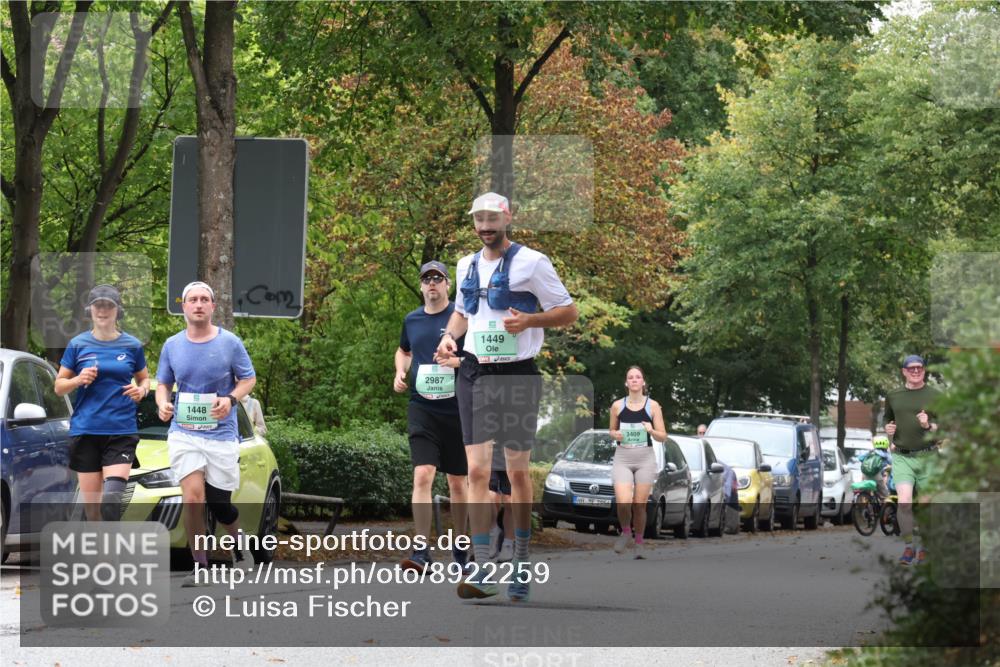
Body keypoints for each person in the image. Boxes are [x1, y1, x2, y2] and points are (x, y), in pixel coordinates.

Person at [437, 192, 577, 601]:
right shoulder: (466, 265)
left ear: (507, 218)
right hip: (475, 372)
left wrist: (531, 320)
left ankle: (521, 560)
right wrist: (448, 338)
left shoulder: (533, 262)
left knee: (516, 475)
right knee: (477, 472)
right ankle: (482, 568)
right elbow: (463, 312)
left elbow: (569, 312)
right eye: (478, 219)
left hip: (517, 374)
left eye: (492, 219)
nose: (485, 226)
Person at [155, 281, 258, 586]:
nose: (198, 304)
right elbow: (163, 383)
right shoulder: (172, 345)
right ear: (183, 307)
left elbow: (248, 379)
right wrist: (162, 403)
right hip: (184, 433)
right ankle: (200, 565)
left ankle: (239, 547)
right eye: (192, 300)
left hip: (221, 433)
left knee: (218, 503)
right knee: (193, 498)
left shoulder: (230, 343)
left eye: (204, 300)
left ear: (213, 307)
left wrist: (230, 399)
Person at [393, 261, 469, 572]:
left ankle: (462, 549)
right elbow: (404, 350)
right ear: (422, 286)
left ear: (448, 285)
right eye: (427, 279)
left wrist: (457, 363)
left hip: (458, 410)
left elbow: (480, 361)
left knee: (457, 482)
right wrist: (400, 371)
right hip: (422, 407)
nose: (432, 284)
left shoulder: (461, 320)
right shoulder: (411, 319)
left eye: (438, 278)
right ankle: (421, 550)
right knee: (422, 474)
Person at [54, 285, 150, 522]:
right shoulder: (78, 344)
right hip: (87, 429)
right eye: (99, 305)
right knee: (93, 511)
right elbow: (59, 386)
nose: (103, 310)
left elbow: (144, 379)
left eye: (109, 305)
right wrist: (78, 379)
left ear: (118, 311)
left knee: (111, 500)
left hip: (121, 430)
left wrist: (141, 390)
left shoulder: (132, 345)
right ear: (90, 310)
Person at [884, 354, 940, 565]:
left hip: (928, 456)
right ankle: (909, 547)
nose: (916, 371)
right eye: (911, 368)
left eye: (920, 368)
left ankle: (925, 548)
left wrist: (928, 425)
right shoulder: (893, 395)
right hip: (902, 457)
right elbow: (887, 419)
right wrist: (888, 432)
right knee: (905, 502)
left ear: (924, 370)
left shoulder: (935, 395)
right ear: (904, 371)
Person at [608, 366, 667, 557]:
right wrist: (615, 434)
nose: (634, 380)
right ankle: (626, 532)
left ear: (643, 382)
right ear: (626, 383)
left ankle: (639, 542)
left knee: (639, 504)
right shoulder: (617, 405)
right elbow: (611, 431)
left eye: (638, 377)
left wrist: (650, 430)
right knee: (623, 501)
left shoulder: (653, 406)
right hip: (623, 457)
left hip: (645, 458)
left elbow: (662, 436)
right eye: (630, 377)